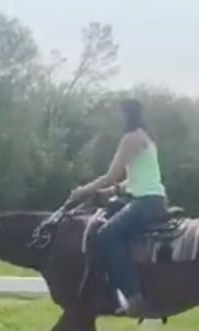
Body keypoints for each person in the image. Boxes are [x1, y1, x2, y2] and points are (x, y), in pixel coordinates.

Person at [68, 98, 167, 316]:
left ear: (126, 115)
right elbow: (134, 179)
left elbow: (112, 175)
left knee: (107, 234)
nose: (116, 118)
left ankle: (133, 297)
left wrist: (83, 191)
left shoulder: (130, 139)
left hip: (144, 202)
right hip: (151, 199)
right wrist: (110, 193)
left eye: (118, 114)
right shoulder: (146, 137)